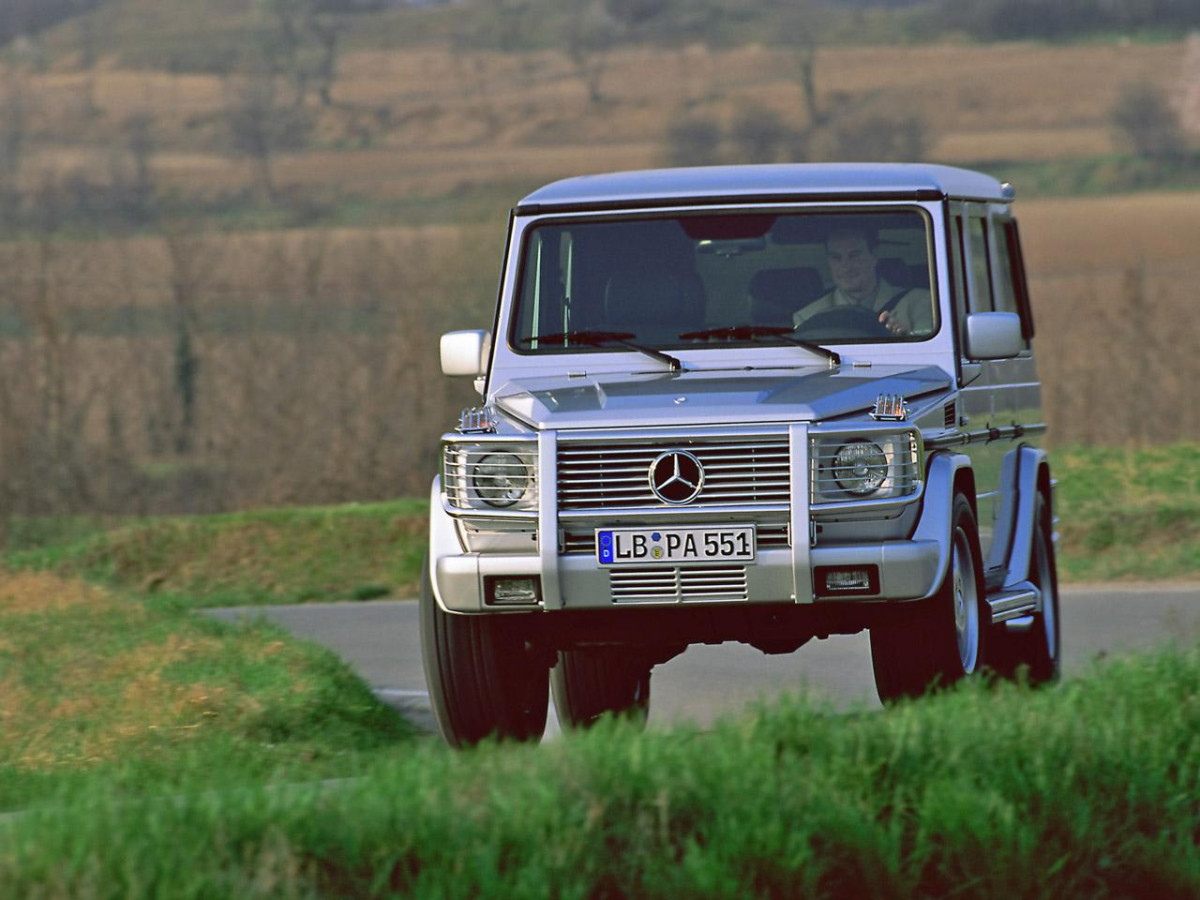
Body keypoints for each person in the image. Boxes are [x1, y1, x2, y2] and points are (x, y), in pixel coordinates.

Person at [793, 225, 933, 337]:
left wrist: (907, 338)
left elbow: (933, 355)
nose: (845, 267)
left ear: (874, 256)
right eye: (836, 258)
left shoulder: (921, 303)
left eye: (854, 256)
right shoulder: (807, 317)